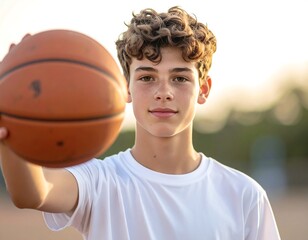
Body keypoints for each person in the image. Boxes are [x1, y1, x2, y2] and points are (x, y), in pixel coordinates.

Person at [0, 6, 281, 240]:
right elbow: (32, 193)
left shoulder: (244, 195)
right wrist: (9, 119)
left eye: (180, 78)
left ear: (204, 89)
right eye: (147, 77)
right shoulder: (99, 181)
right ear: (126, 88)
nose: (164, 92)